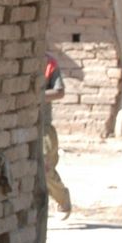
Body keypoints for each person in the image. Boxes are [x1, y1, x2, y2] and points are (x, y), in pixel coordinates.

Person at [43, 53, 72, 217]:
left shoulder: (49, 63)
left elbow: (59, 92)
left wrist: (36, 97)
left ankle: (62, 198)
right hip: (19, 124)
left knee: (45, 168)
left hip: (43, 128)